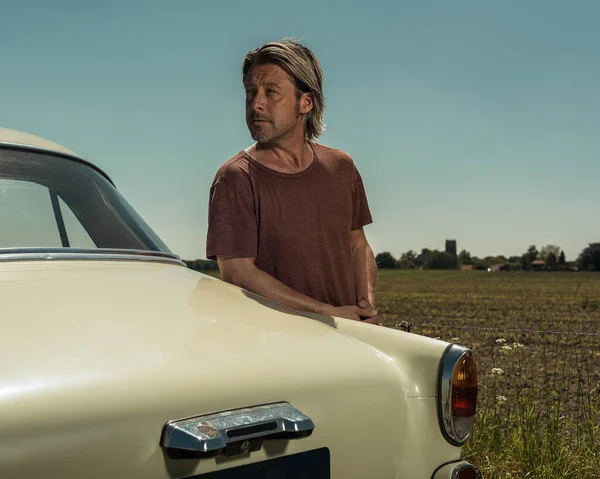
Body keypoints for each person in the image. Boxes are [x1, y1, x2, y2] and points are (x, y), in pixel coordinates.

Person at [206, 39, 380, 325]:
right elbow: (238, 274)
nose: (256, 104)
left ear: (306, 102)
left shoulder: (341, 167)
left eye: (271, 92)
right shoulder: (235, 178)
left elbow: (356, 245)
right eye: (251, 92)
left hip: (348, 341)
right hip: (278, 352)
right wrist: (330, 315)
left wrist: (366, 306)